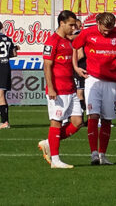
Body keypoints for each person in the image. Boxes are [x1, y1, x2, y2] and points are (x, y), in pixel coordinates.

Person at [73, 12, 116, 166]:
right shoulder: (87, 33)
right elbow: (75, 47)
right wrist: (76, 67)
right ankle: (93, 154)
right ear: (98, 22)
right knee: (93, 115)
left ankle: (103, 155)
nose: (106, 33)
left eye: (109, 30)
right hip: (93, 79)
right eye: (104, 30)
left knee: (107, 118)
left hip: (112, 81)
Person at [38, 10, 83, 169]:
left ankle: (49, 142)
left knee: (77, 122)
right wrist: (51, 87)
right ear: (61, 23)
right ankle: (55, 160)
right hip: (58, 90)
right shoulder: (52, 41)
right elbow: (47, 66)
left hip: (71, 89)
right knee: (56, 122)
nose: (73, 28)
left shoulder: (68, 40)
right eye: (71, 25)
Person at [0, 27, 16, 128]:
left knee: (1, 95)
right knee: (2, 94)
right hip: (5, 67)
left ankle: (5, 122)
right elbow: (14, 54)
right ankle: (4, 121)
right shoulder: (8, 39)